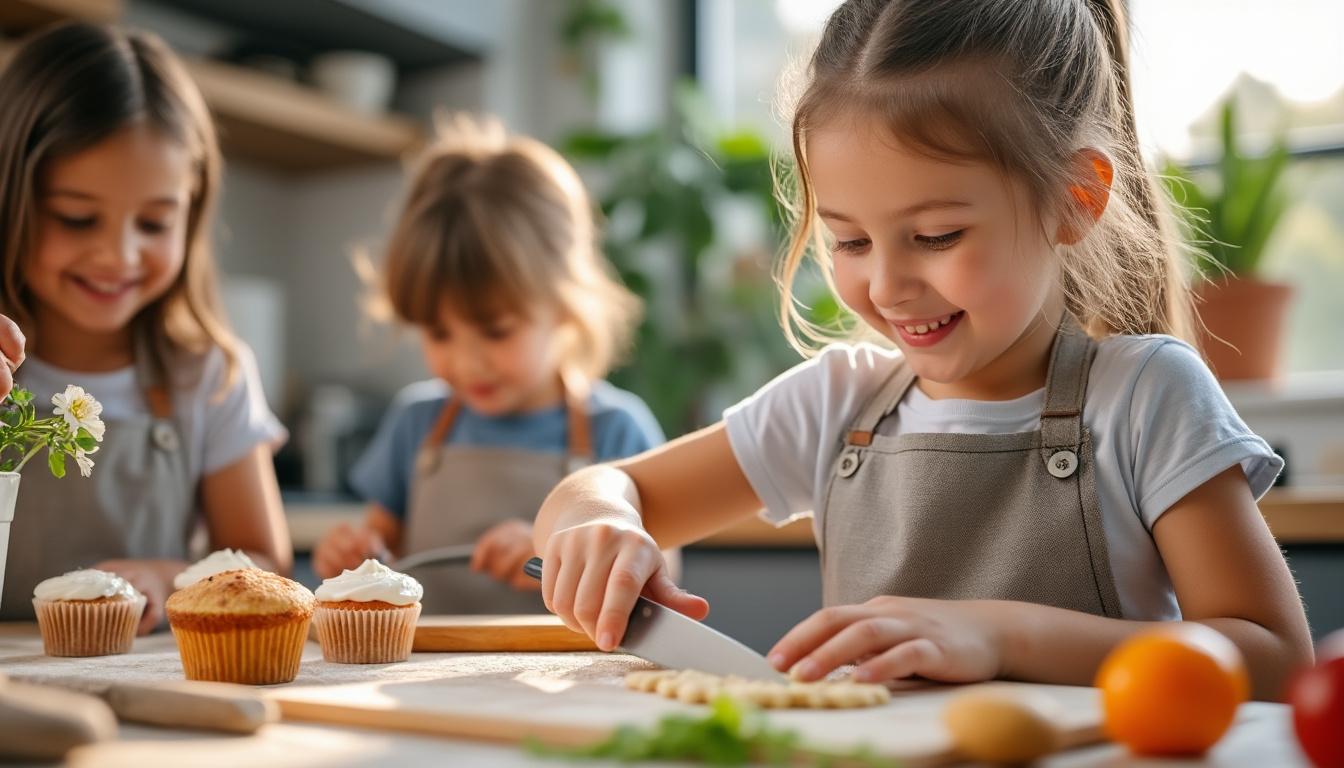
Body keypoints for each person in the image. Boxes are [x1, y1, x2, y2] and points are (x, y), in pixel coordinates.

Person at [531, 0, 1313, 700]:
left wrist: (1000, 636)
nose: (889, 284)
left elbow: (1274, 659)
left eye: (936, 236)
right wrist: (596, 525)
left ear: (1075, 200)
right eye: (850, 240)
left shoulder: (1146, 394)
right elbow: (601, 486)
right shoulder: (838, 401)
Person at [0, 23, 291, 632]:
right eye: (77, 219)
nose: (119, 256)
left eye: (155, 224)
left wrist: (172, 576)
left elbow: (267, 562)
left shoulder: (208, 374)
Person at [313, 116, 666, 614]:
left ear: (564, 303)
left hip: (564, 686)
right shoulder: (417, 423)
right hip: (422, 679)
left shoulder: (618, 432)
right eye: (438, 333)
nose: (466, 362)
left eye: (496, 331)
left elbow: (657, 583)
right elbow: (378, 554)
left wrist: (557, 555)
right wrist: (353, 560)